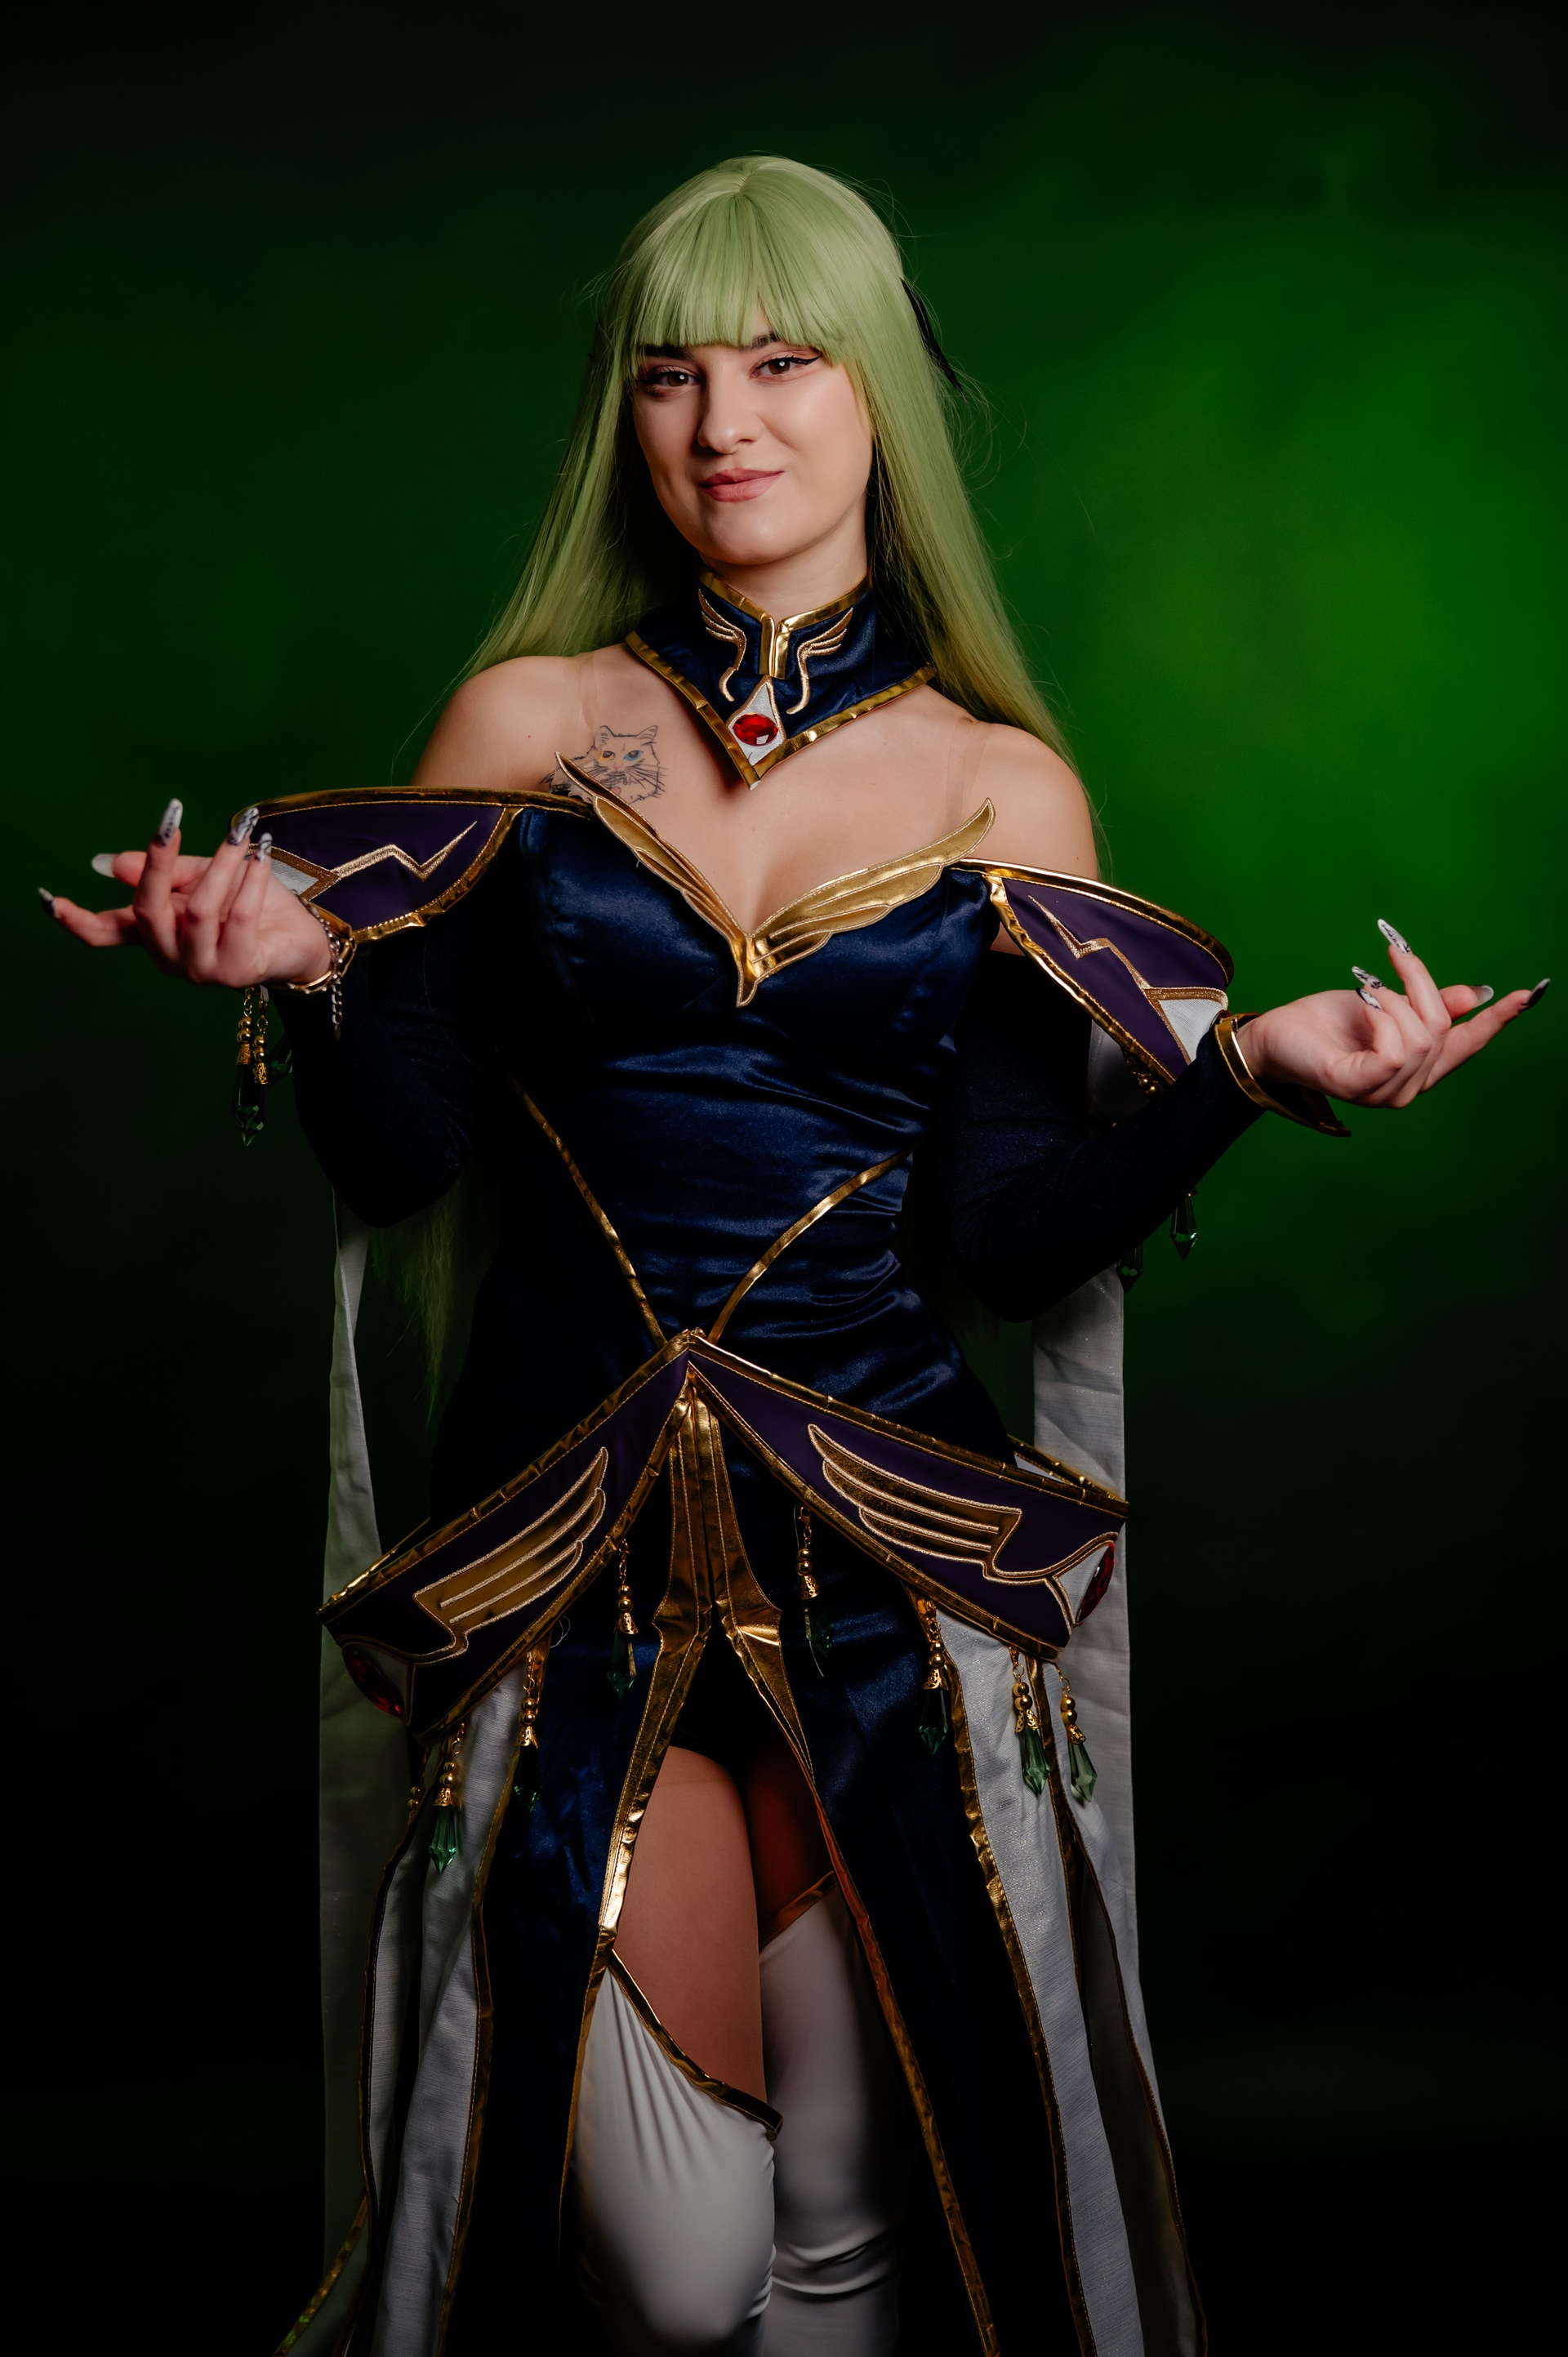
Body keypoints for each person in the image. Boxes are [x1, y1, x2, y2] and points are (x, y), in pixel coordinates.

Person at [47, 156, 1541, 2357]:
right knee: (677, 2273)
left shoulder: (1002, 786)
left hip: (891, 1577)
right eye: (670, 376)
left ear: (878, 398)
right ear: (625, 418)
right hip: (557, 1559)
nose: (724, 420)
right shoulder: (525, 726)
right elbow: (404, 1159)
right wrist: (316, 972)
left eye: (780, 361)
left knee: (854, 2249)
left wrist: (1246, 1074)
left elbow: (998, 1238)